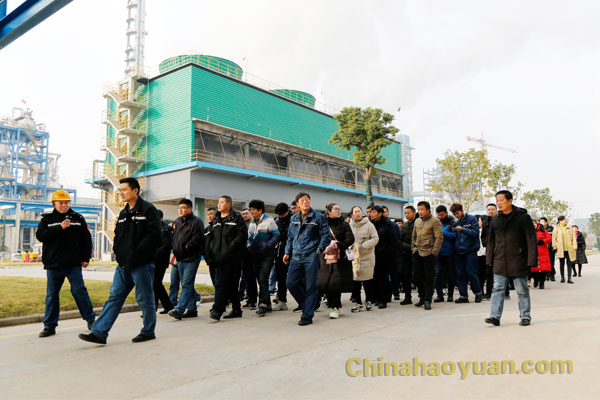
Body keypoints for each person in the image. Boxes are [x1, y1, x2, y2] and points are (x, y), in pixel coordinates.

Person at [80, 177, 161, 344]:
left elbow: (154, 236)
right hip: (123, 265)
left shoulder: (148, 210)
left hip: (141, 264)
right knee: (114, 297)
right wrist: (118, 252)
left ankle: (148, 331)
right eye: (120, 190)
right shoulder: (124, 213)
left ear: (135, 190)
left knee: (144, 298)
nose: (121, 193)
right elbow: (118, 236)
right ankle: (99, 333)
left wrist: (136, 254)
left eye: (124, 189)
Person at [36, 190, 95, 338]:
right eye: (61, 202)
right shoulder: (47, 220)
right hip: (54, 264)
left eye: (66, 202)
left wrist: (86, 258)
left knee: (79, 291)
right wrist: (59, 227)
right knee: (52, 295)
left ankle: (91, 320)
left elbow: (86, 239)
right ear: (54, 204)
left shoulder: (78, 218)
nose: (64, 205)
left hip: (73, 264)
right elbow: (41, 236)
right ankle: (49, 326)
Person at [485, 190, 537, 327]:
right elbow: (491, 241)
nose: (498, 203)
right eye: (497, 200)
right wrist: (489, 258)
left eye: (501, 200)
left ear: (510, 201)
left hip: (518, 260)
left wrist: (531, 260)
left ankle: (525, 316)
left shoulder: (523, 217)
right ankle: (495, 316)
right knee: (497, 289)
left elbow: (531, 239)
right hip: (500, 260)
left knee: (522, 290)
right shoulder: (495, 219)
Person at [284, 192, 331, 326]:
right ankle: (308, 305)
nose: (305, 202)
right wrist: (287, 252)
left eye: (307, 199)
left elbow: (326, 236)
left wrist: (318, 251)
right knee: (291, 283)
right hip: (296, 256)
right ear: (298, 204)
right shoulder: (294, 218)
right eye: (302, 200)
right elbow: (290, 238)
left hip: (311, 255)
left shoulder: (318, 217)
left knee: (311, 286)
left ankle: (307, 315)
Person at [204, 195, 248, 321]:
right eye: (218, 202)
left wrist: (230, 247)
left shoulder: (236, 218)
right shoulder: (216, 219)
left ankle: (217, 310)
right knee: (231, 285)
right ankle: (236, 309)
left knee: (221, 283)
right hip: (219, 257)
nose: (219, 204)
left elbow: (242, 235)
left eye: (222, 202)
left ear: (229, 204)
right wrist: (212, 252)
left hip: (232, 257)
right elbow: (213, 238)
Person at [168, 199, 205, 320]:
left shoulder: (197, 222)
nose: (180, 210)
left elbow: (198, 238)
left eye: (183, 208)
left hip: (191, 258)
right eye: (179, 208)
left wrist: (186, 247)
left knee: (186, 284)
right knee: (186, 284)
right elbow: (175, 238)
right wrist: (175, 248)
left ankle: (179, 310)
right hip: (179, 258)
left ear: (190, 209)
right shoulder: (178, 221)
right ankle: (192, 309)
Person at [318, 203, 355, 319]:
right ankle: (332, 303)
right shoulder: (323, 224)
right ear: (329, 211)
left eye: (339, 209)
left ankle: (335, 307)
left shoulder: (344, 224)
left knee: (335, 283)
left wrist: (339, 245)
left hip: (339, 258)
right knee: (324, 282)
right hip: (325, 258)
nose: (338, 211)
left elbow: (351, 239)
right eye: (335, 209)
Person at [247, 199, 280, 317]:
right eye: (250, 210)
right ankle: (268, 304)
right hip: (255, 255)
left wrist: (267, 246)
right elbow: (249, 237)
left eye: (253, 210)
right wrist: (249, 246)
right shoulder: (251, 223)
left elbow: (276, 235)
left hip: (267, 255)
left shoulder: (269, 221)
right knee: (261, 280)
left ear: (260, 210)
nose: (251, 212)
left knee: (262, 279)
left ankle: (262, 305)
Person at [411, 201, 443, 310]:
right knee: (416, 277)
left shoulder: (435, 221)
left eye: (422, 209)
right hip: (417, 252)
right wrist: (413, 248)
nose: (420, 211)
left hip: (429, 253)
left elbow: (439, 238)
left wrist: (434, 253)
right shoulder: (417, 221)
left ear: (428, 210)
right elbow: (413, 236)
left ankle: (427, 299)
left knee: (428, 277)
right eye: (418, 209)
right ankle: (422, 296)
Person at [450, 203, 483, 303]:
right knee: (460, 274)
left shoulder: (471, 219)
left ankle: (478, 293)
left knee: (471, 273)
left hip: (470, 250)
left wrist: (462, 229)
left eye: (457, 213)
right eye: (454, 214)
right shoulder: (456, 222)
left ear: (462, 210)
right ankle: (463, 295)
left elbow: (475, 233)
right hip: (459, 251)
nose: (456, 215)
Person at [349, 206, 379, 312]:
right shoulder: (349, 226)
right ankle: (358, 303)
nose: (358, 213)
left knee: (368, 281)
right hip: (354, 258)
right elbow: (346, 239)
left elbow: (375, 238)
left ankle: (369, 301)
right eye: (355, 212)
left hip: (367, 257)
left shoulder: (369, 225)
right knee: (355, 282)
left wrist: (363, 246)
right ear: (352, 214)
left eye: (359, 211)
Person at [370, 205, 397, 309]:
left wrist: (388, 253)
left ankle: (383, 300)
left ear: (380, 214)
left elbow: (393, 241)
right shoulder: (371, 224)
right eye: (371, 212)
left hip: (384, 256)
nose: (371, 214)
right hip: (373, 255)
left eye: (374, 212)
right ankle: (376, 298)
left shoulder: (388, 225)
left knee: (383, 278)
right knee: (374, 277)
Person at [434, 205, 456, 303]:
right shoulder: (436, 222)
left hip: (450, 252)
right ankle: (439, 295)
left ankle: (450, 295)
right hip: (439, 252)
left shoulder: (452, 223)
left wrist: (442, 233)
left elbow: (455, 235)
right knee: (438, 274)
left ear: (446, 213)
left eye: (442, 215)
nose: (440, 217)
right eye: (438, 215)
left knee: (451, 274)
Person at [153, 210, 174, 314]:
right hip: (152, 261)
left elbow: (166, 246)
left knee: (155, 284)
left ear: (161, 218)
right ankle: (168, 306)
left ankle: (152, 309)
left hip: (160, 261)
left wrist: (153, 254)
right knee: (156, 284)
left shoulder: (166, 229)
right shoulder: (152, 228)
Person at [273, 202, 292, 311]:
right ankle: (282, 301)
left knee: (298, 278)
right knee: (280, 277)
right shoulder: (277, 221)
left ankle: (307, 300)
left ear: (288, 211)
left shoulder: (295, 220)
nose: (280, 216)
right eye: (279, 215)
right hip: (280, 253)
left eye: (282, 214)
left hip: (294, 252)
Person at [382, 206, 402, 301]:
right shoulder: (376, 224)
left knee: (394, 274)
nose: (384, 214)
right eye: (382, 212)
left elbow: (399, 237)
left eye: (385, 212)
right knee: (384, 275)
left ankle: (396, 292)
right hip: (382, 254)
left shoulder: (393, 225)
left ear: (388, 213)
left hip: (392, 253)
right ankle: (387, 294)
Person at [240, 208, 257, 310]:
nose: (244, 215)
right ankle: (249, 299)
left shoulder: (253, 224)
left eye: (246, 213)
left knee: (251, 279)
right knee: (245, 278)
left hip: (252, 254)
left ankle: (253, 301)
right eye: (243, 214)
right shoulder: (241, 225)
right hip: (243, 254)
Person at [399, 206, 416, 305]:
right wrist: (405, 246)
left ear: (414, 213)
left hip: (417, 253)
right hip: (406, 254)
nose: (407, 215)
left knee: (418, 276)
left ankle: (423, 296)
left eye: (408, 213)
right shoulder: (404, 226)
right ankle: (407, 297)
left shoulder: (419, 223)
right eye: (405, 213)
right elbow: (400, 240)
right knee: (405, 276)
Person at [552, 216, 577, 284]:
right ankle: (562, 277)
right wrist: (554, 246)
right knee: (561, 264)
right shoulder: (556, 228)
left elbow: (573, 237)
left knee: (569, 263)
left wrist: (574, 245)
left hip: (569, 248)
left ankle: (569, 278)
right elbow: (554, 238)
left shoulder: (570, 228)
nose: (566, 221)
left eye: (566, 219)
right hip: (560, 248)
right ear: (560, 221)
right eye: (564, 220)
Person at [479, 204, 497, 298]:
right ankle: (488, 292)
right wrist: (488, 244)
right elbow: (483, 237)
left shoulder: (500, 220)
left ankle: (504, 292)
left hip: (498, 250)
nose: (491, 211)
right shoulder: (485, 221)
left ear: (496, 210)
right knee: (488, 272)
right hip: (488, 251)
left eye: (492, 209)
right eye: (489, 209)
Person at [532, 219, 552, 289]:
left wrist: (543, 241)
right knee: (533, 269)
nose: (533, 225)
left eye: (534, 223)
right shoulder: (528, 232)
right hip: (533, 252)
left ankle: (542, 283)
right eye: (532, 223)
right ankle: (536, 280)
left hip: (542, 252)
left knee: (543, 269)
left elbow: (549, 238)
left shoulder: (543, 231)